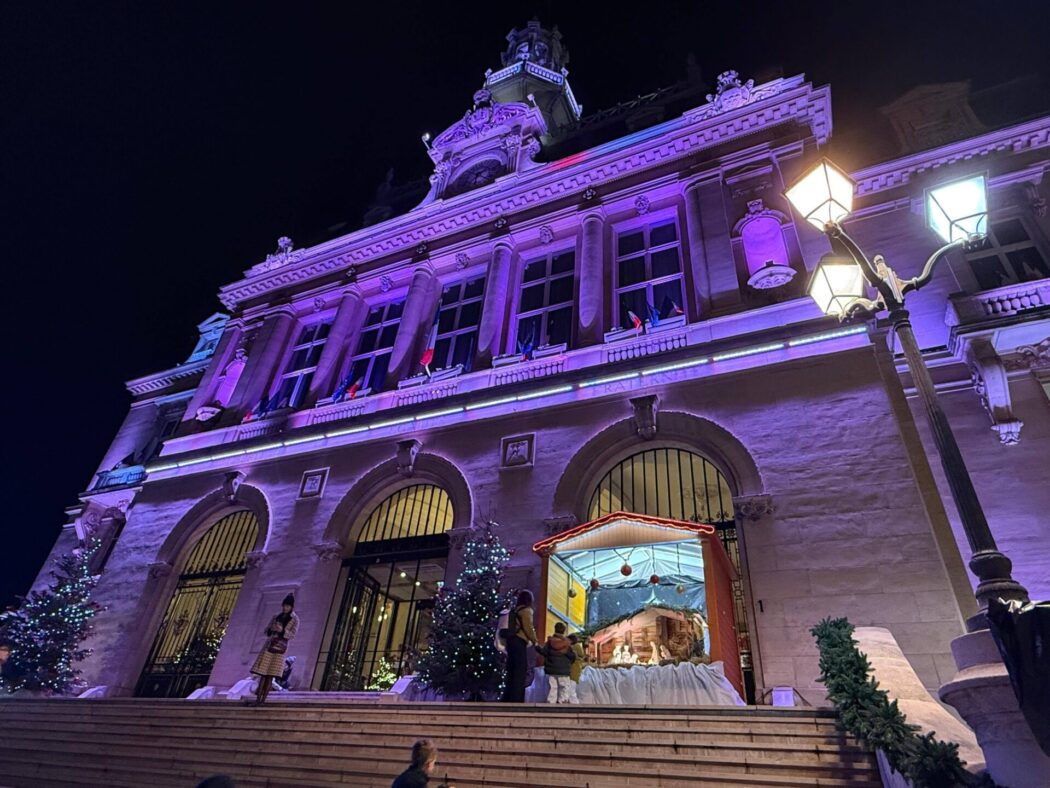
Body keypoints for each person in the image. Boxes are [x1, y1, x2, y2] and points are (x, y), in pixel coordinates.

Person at [249, 593, 299, 705]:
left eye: (288, 606)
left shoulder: (295, 619)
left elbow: (292, 635)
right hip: (269, 646)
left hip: (280, 649)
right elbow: (266, 631)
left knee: (270, 675)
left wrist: (282, 631)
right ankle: (258, 700)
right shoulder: (276, 616)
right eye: (284, 606)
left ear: (292, 607)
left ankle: (263, 700)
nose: (285, 608)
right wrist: (272, 629)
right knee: (263, 673)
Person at [500, 589, 537, 702]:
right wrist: (535, 640)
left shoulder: (515, 610)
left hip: (511, 642)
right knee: (520, 671)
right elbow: (528, 627)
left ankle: (507, 697)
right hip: (519, 642)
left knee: (511, 670)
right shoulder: (526, 611)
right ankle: (516, 698)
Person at [538, 622, 577, 704]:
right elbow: (572, 656)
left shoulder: (550, 642)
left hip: (551, 670)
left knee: (552, 687)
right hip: (564, 670)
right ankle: (562, 703)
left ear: (555, 629)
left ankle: (551, 703)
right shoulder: (567, 643)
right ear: (564, 631)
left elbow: (544, 652)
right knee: (564, 687)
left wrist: (536, 647)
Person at [567, 633, 586, 703]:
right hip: (575, 671)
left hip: (573, 671)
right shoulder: (577, 647)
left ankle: (575, 705)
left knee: (571, 690)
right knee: (571, 689)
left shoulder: (574, 647)